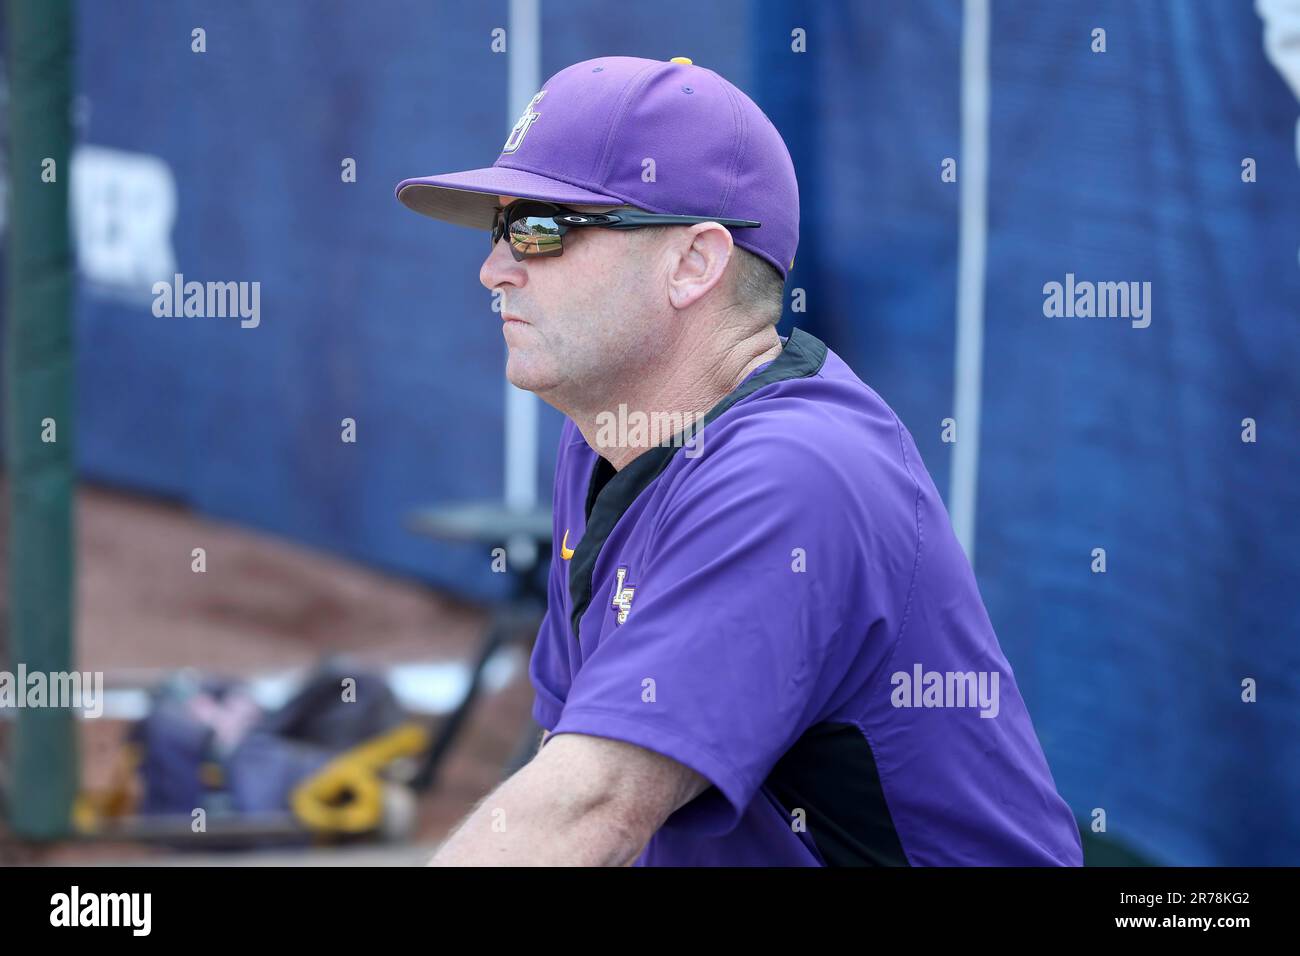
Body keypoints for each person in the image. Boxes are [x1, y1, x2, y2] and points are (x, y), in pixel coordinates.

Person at [395, 55, 1082, 866]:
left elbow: (590, 809)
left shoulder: (793, 476)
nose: (494, 268)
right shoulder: (606, 438)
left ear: (694, 263)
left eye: (542, 229)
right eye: (500, 228)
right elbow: (566, 767)